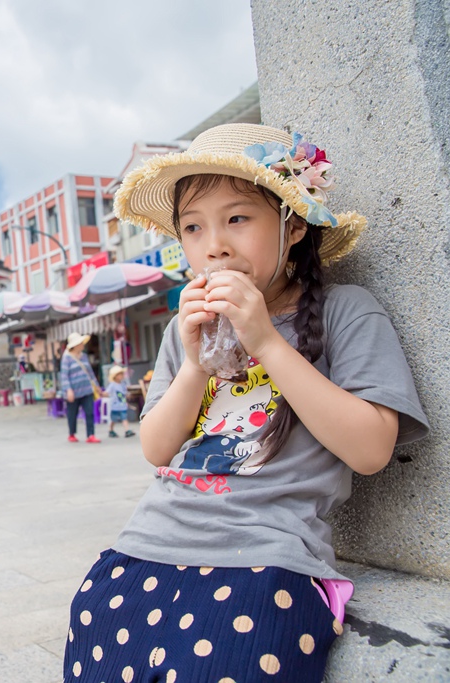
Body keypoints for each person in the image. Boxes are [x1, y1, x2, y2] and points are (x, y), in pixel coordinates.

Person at [62, 123, 430, 682]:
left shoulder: (345, 312)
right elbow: (158, 448)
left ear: (294, 225)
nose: (215, 244)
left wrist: (264, 340)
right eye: (192, 226)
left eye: (238, 218)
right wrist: (192, 363)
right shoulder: (184, 329)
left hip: (267, 564)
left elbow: (371, 449)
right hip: (143, 548)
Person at [60, 332, 101, 444]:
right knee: (72, 413)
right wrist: (68, 390)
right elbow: (64, 375)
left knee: (89, 412)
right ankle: (72, 434)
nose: (83, 344)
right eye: (81, 343)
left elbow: (90, 373)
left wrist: (97, 386)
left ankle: (91, 434)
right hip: (73, 391)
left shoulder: (84, 356)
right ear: (75, 345)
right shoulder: (67, 358)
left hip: (87, 389)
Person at [105, 365, 134, 438]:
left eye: (122, 374)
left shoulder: (123, 384)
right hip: (115, 406)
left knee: (124, 418)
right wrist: (102, 394)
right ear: (115, 376)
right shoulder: (112, 385)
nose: (122, 376)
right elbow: (107, 392)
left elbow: (125, 392)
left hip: (122, 405)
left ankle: (127, 430)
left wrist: (128, 395)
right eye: (120, 374)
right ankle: (110, 430)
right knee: (113, 420)